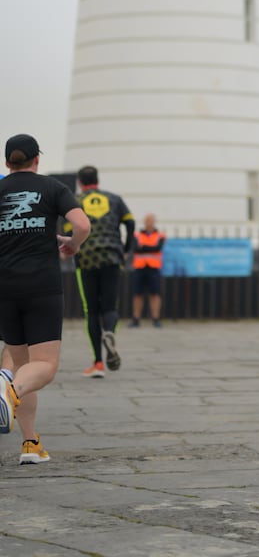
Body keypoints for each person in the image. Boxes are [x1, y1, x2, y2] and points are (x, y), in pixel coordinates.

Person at [0, 134, 90, 462]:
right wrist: (73, 244)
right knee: (45, 367)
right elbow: (81, 224)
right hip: (41, 286)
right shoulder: (52, 187)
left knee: (23, 367)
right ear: (36, 159)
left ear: (8, 161)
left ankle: (30, 443)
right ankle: (6, 389)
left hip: (5, 288)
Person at [68, 166, 135, 377]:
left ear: (80, 182)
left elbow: (69, 229)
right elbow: (130, 222)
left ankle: (98, 363)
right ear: (98, 179)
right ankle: (109, 332)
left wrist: (74, 250)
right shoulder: (114, 198)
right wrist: (125, 248)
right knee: (110, 307)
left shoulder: (75, 201)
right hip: (112, 256)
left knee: (92, 310)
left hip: (87, 258)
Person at [129, 213, 166, 327]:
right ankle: (136, 318)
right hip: (140, 267)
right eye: (147, 220)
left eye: (150, 220)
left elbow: (157, 248)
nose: (148, 222)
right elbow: (135, 248)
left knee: (154, 294)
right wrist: (149, 248)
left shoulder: (160, 235)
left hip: (153, 268)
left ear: (154, 222)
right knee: (137, 294)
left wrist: (143, 247)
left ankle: (155, 318)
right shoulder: (137, 234)